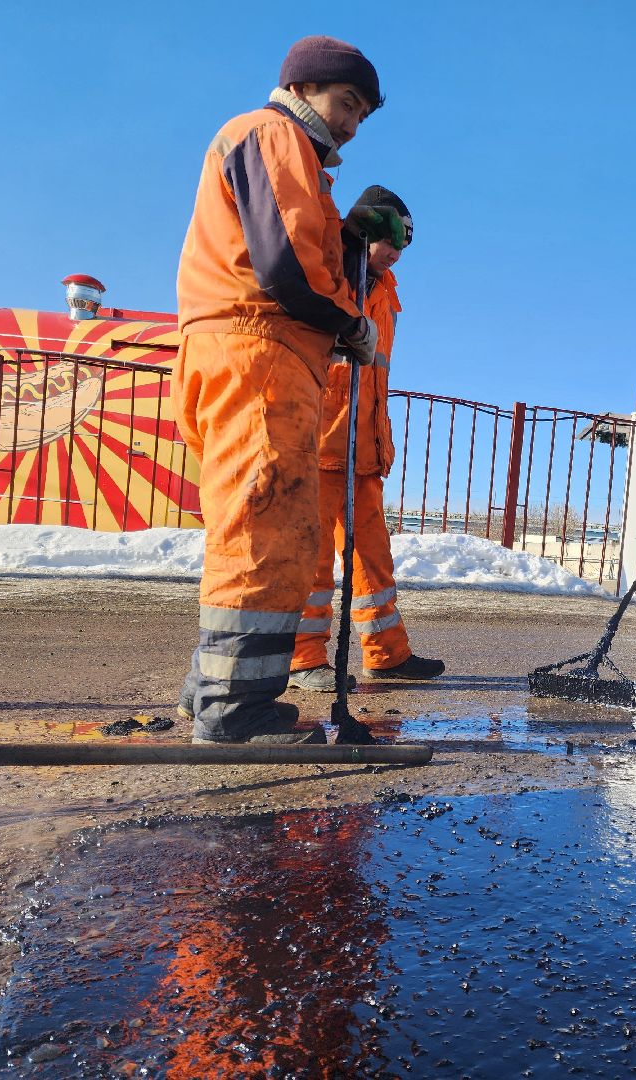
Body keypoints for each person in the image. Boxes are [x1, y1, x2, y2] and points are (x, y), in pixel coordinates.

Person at [172, 36, 407, 744]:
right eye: (346, 104)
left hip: (260, 355)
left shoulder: (290, 155)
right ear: (303, 89)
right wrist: (349, 322)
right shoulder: (273, 134)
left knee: (261, 524)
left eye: (364, 114)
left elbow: (294, 244)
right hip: (258, 353)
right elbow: (287, 267)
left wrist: (341, 241)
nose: (352, 125)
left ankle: (213, 688)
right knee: (264, 528)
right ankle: (236, 713)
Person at [288, 185, 446, 691]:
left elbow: (375, 373)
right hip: (321, 443)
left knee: (373, 559)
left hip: (365, 449)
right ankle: (305, 658)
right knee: (310, 561)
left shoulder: (386, 290)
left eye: (407, 241)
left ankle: (387, 654)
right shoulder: (334, 271)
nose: (398, 250)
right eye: (391, 236)